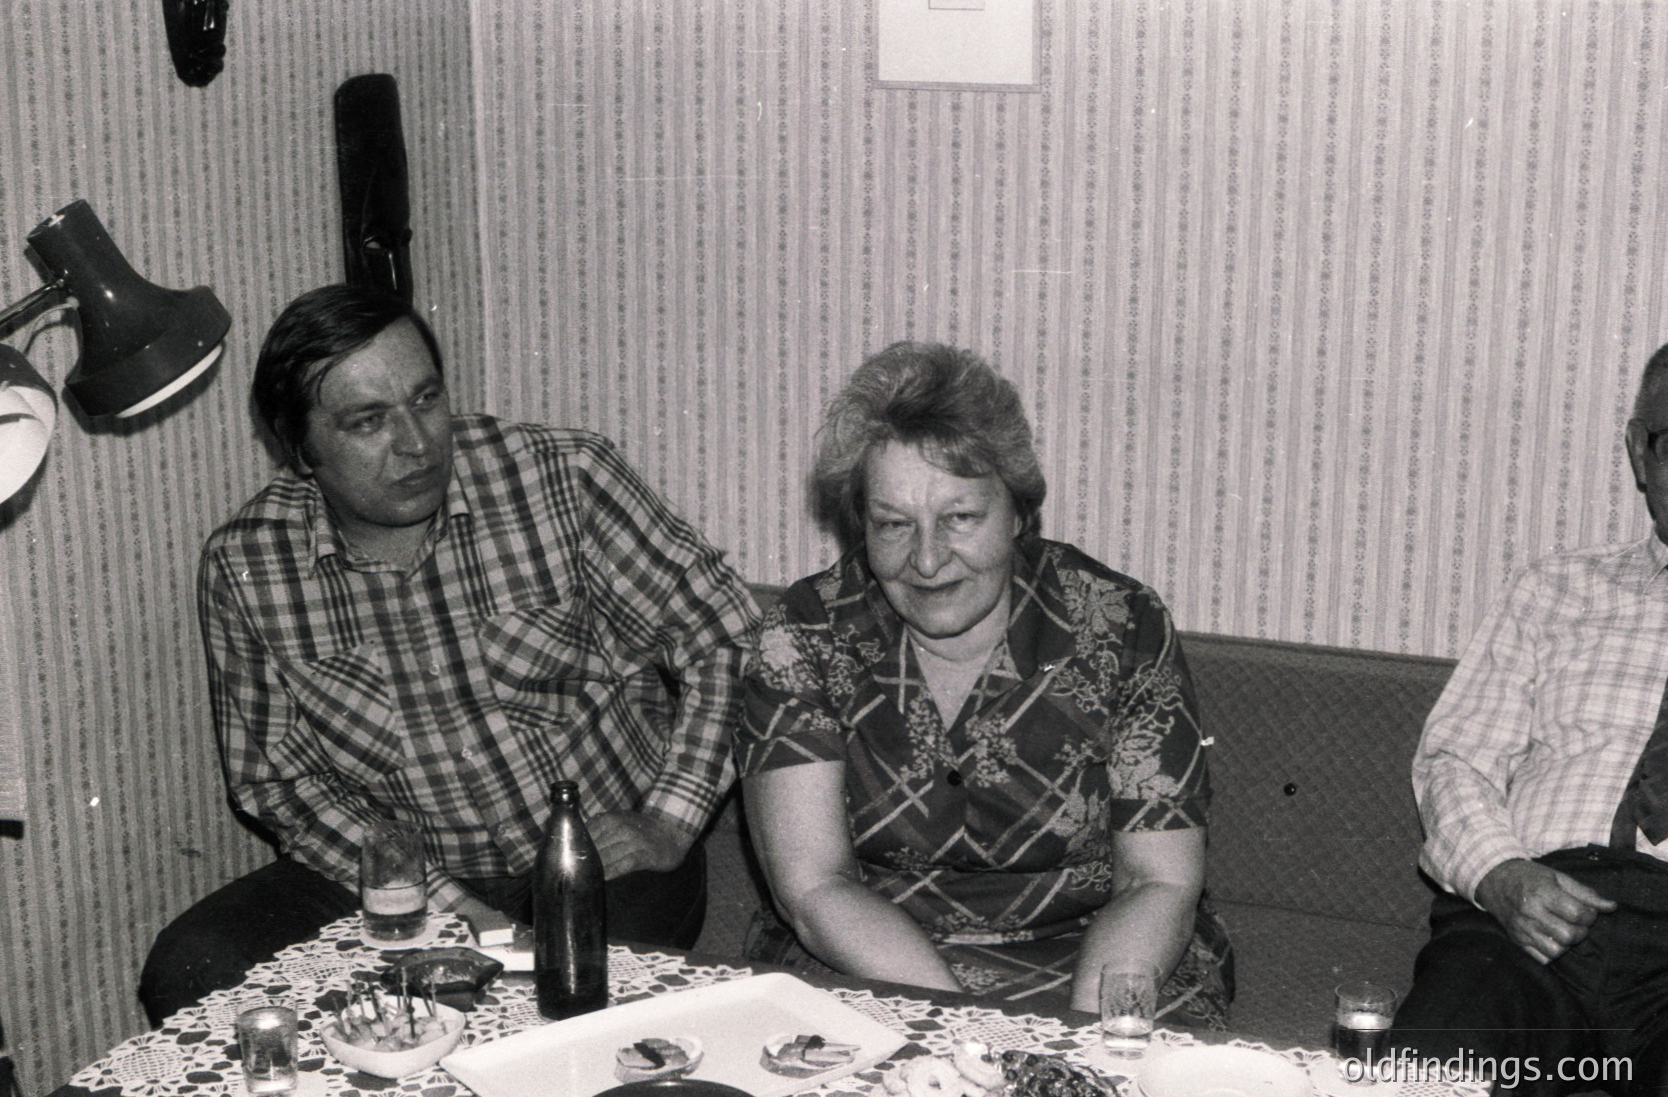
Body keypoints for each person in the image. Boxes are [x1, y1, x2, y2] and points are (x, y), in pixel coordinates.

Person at [139, 284, 758, 1024]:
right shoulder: (248, 566)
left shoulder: (561, 477)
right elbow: (282, 781)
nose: (417, 444)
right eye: (368, 421)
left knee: (560, 996)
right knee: (191, 967)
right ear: (299, 447)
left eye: (426, 400)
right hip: (404, 870)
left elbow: (724, 631)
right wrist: (445, 902)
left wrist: (672, 818)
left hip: (595, 854)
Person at [733, 341, 1232, 1025]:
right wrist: (964, 1035)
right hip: (863, 962)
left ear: (1018, 513)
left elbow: (1158, 880)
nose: (929, 559)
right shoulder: (801, 637)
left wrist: (1080, 1042)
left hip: (1099, 956)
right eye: (893, 525)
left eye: (960, 518)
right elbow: (815, 888)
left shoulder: (1120, 626)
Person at [1392, 344, 1668, 1097]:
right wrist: (1500, 876)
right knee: (1428, 1076)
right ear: (1639, 451)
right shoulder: (1554, 588)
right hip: (1530, 926)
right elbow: (1456, 760)